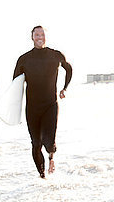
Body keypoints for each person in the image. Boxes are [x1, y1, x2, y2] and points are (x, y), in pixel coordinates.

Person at [13, 26, 72, 178]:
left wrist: (64, 88)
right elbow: (15, 85)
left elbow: (69, 68)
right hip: (32, 107)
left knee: (48, 141)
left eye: (42, 34)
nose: (40, 37)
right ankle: (42, 177)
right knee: (35, 144)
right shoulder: (24, 59)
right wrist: (13, 110)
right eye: (36, 34)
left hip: (50, 105)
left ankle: (51, 157)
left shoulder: (55, 55)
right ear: (32, 37)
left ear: (45, 36)